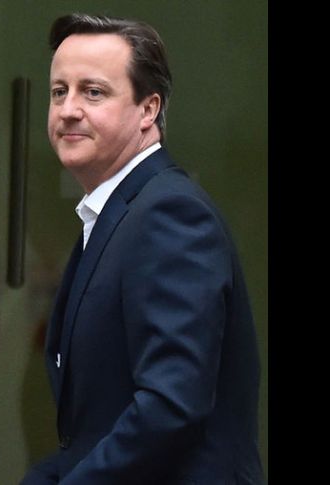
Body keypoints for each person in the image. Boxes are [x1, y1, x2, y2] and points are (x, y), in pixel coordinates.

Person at [20, 13, 264, 485]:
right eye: (58, 91)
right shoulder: (120, 211)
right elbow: (95, 426)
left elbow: (171, 405)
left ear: (148, 110)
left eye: (93, 92)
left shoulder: (170, 214)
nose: (68, 109)